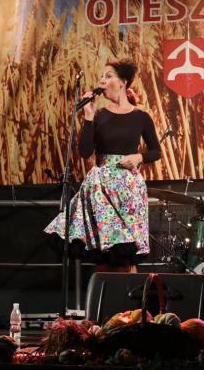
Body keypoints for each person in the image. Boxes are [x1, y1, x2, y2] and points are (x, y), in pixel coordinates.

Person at [44, 59, 161, 273]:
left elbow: (156, 151)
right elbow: (85, 152)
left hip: (127, 189)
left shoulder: (141, 117)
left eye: (108, 76)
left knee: (126, 253)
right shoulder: (100, 116)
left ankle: (128, 293)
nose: (102, 80)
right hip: (100, 188)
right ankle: (104, 291)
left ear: (123, 82)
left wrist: (138, 157)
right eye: (101, 76)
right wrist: (88, 116)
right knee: (104, 250)